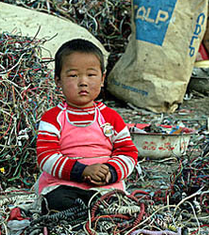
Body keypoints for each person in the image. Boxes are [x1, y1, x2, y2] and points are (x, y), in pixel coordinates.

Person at [35, 38, 139, 214]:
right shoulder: (52, 118)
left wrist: (110, 172)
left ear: (102, 79)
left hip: (105, 187)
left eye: (91, 75)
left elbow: (128, 153)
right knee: (56, 202)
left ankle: (96, 209)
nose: (83, 82)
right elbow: (46, 156)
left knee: (114, 204)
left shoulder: (111, 117)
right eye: (73, 75)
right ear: (58, 81)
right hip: (63, 185)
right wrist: (82, 171)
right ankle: (89, 211)